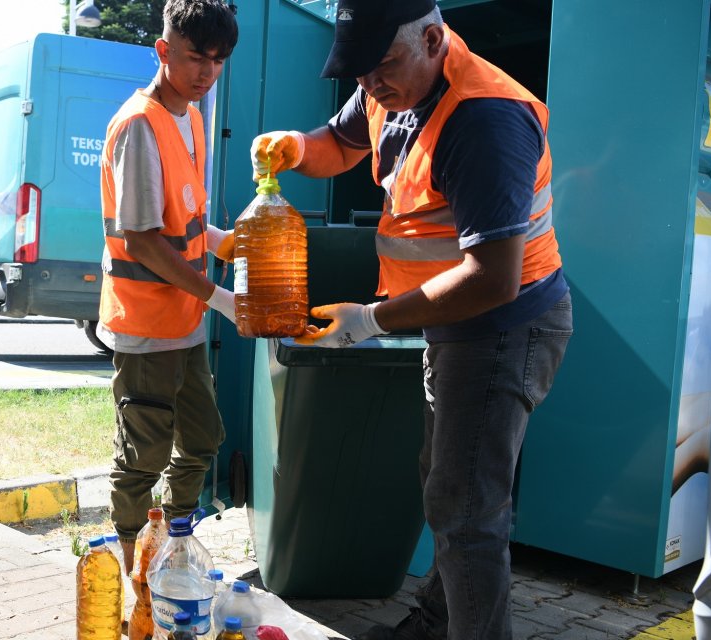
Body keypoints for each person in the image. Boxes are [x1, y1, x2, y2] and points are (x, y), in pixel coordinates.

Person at [251, 1, 572, 638]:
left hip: (504, 327)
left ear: (432, 38)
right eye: (360, 73)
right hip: (452, 325)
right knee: (448, 487)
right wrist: (296, 148)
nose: (371, 85)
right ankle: (434, 624)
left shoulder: (485, 118)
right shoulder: (389, 82)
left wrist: (368, 320)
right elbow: (339, 145)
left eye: (382, 68)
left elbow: (492, 276)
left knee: (467, 508)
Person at [96, 0, 239, 576]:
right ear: (163, 51)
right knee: (143, 456)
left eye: (218, 60)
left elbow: (182, 221)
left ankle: (174, 544)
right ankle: (133, 563)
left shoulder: (192, 115)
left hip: (183, 323)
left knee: (203, 439)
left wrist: (227, 240)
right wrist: (222, 299)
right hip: (145, 324)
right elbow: (145, 241)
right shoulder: (138, 124)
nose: (207, 72)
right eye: (196, 57)